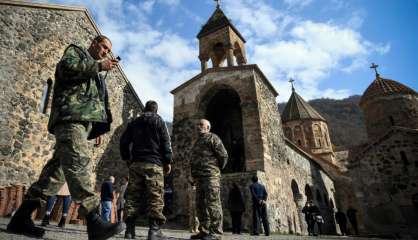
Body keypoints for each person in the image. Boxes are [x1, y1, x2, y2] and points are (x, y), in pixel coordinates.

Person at [7, 35, 124, 239]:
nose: (106, 51)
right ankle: (94, 220)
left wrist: (97, 128)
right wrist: (98, 67)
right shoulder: (76, 53)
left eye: (108, 50)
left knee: (54, 174)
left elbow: (94, 103)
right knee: (79, 162)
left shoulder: (95, 71)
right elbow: (66, 69)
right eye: (104, 46)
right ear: (94, 43)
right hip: (70, 117)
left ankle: (21, 217)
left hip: (82, 123)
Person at [120, 100, 172, 240]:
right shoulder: (159, 121)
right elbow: (166, 142)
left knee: (132, 197)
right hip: (154, 164)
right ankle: (154, 231)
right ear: (156, 110)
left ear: (144, 108)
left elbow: (124, 141)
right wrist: (167, 161)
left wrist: (127, 158)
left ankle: (129, 231)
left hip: (136, 163)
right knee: (155, 197)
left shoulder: (134, 122)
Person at [190, 119, 228, 240]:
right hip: (199, 178)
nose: (198, 126)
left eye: (201, 124)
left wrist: (215, 170)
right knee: (200, 205)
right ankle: (204, 230)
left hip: (211, 176)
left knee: (213, 203)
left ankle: (216, 232)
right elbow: (193, 160)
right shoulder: (196, 142)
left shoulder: (213, 138)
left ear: (208, 128)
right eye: (198, 124)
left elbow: (223, 155)